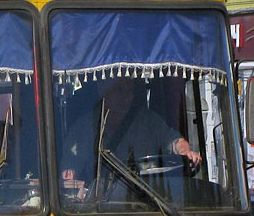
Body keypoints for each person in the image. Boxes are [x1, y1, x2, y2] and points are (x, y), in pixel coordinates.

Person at [60, 77, 201, 197]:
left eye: (130, 91)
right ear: (102, 90)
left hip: (146, 206)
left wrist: (185, 152)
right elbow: (69, 170)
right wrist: (70, 175)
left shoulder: (148, 121)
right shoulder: (82, 130)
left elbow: (175, 141)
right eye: (119, 90)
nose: (126, 97)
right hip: (98, 210)